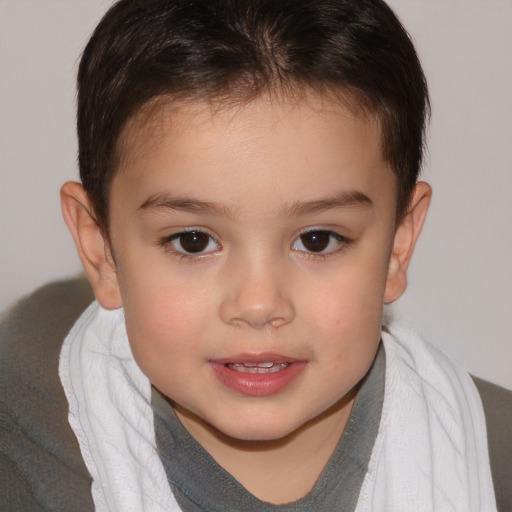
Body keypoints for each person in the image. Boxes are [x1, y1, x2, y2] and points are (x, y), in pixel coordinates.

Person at [1, 0, 511, 510]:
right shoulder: (23, 456)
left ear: (399, 244)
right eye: (193, 241)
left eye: (317, 240)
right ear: (101, 249)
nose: (259, 304)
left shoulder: (490, 457)